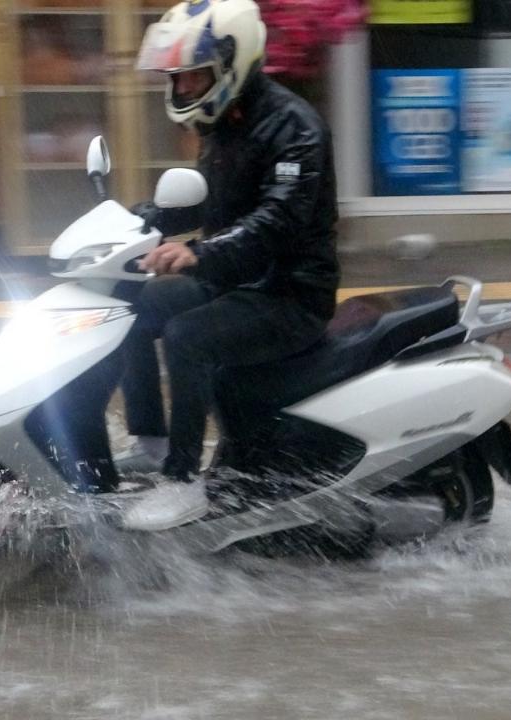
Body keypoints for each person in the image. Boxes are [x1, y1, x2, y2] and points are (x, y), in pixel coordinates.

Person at [118, 0, 341, 531]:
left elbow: (276, 221)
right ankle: (152, 442)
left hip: (289, 293)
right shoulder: (224, 121)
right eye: (178, 77)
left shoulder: (295, 129)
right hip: (235, 279)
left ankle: (182, 480)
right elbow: (214, 202)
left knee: (187, 337)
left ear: (231, 64)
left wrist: (199, 253)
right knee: (129, 308)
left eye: (193, 75)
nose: (183, 87)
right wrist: (144, 220)